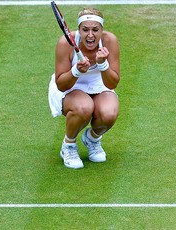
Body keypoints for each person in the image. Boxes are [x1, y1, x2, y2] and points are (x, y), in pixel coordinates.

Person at [48, 7, 120, 169]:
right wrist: (76, 71)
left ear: (102, 30)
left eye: (95, 30)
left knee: (109, 113)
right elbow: (61, 84)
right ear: (79, 29)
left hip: (99, 83)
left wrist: (102, 64)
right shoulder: (65, 43)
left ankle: (92, 139)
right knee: (84, 107)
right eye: (85, 29)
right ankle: (68, 145)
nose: (90, 35)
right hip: (70, 87)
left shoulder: (110, 41)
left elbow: (112, 83)